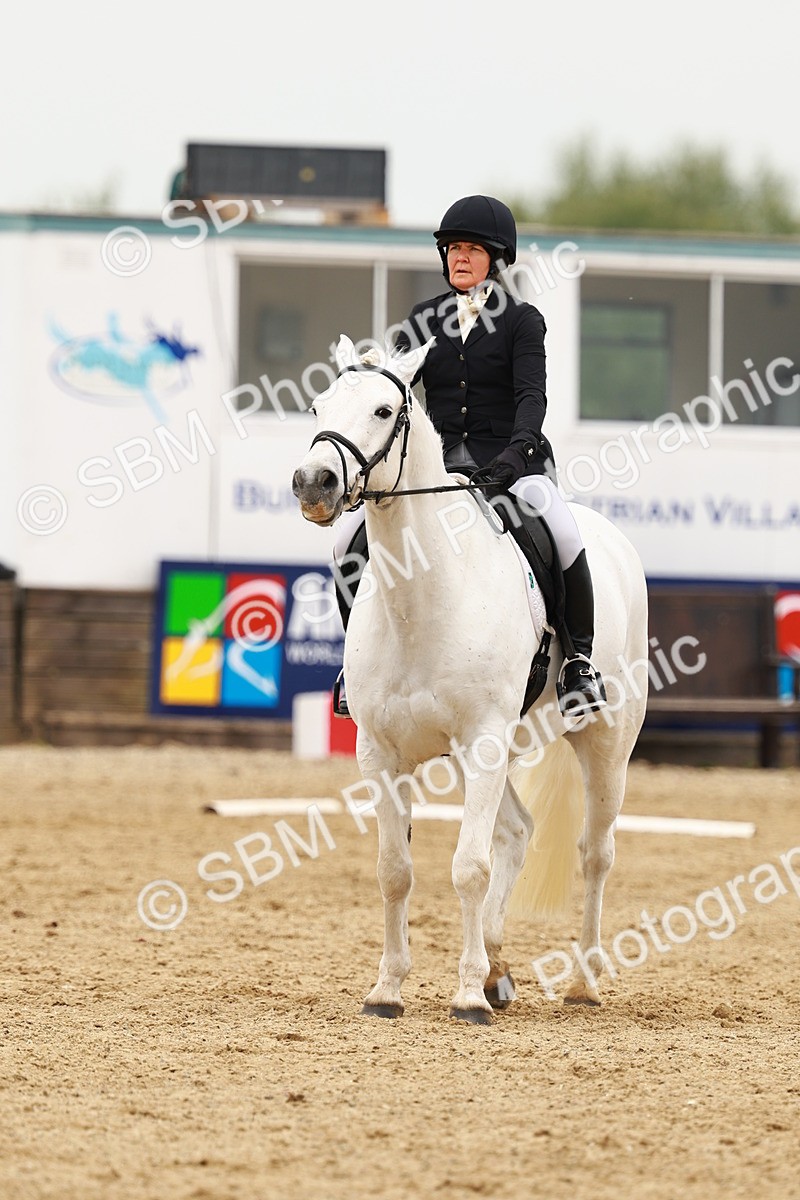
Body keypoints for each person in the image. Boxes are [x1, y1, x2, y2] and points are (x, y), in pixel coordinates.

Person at [332, 194, 606, 719]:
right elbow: (399, 390)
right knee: (348, 540)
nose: (459, 257)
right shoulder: (423, 317)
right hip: (436, 473)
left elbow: (532, 397)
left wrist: (515, 453)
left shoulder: (523, 320)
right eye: (453, 248)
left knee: (562, 531)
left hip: (510, 463)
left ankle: (578, 662)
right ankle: (358, 662)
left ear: (497, 259)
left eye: (472, 249)